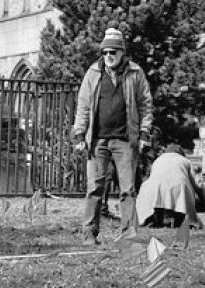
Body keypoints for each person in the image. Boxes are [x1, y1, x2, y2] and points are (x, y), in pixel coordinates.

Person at [71, 28, 154, 245]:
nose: (109, 55)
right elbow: (83, 106)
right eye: (106, 51)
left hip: (125, 140)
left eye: (113, 52)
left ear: (122, 53)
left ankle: (128, 234)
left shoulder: (136, 73)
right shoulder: (93, 73)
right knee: (94, 188)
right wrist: (79, 134)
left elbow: (146, 104)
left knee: (127, 189)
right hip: (97, 140)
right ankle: (89, 233)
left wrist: (145, 133)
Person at [134, 144, 205, 228]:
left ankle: (157, 222)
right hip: (179, 187)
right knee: (182, 195)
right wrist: (203, 199)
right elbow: (197, 183)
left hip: (153, 189)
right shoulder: (185, 161)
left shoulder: (158, 160)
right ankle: (179, 222)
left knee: (158, 197)